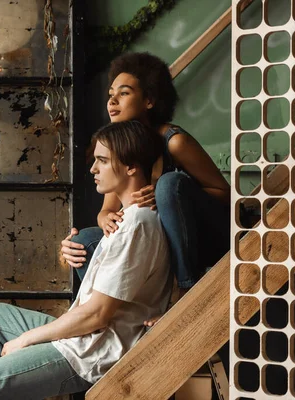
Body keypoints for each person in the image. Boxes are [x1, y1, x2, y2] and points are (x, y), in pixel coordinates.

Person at [0, 120, 171, 400]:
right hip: (84, 336)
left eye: (102, 161)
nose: (93, 169)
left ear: (131, 166)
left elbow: (98, 315)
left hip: (91, 353)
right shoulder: (123, 221)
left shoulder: (137, 225)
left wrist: (25, 339)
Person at [61, 52, 230, 320]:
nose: (112, 101)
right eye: (110, 94)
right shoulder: (121, 148)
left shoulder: (174, 142)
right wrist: (107, 220)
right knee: (84, 241)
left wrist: (168, 194)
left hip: (206, 241)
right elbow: (107, 210)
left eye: (124, 93)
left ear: (149, 100)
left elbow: (224, 194)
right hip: (160, 252)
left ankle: (186, 294)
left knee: (169, 184)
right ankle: (111, 318)